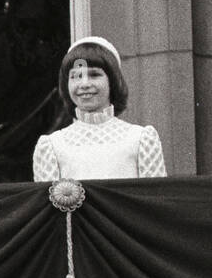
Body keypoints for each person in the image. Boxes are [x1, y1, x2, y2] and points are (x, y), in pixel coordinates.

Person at [31, 37, 167, 180]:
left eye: (94, 75)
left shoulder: (141, 139)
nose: (84, 84)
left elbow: (155, 198)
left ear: (112, 81)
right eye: (75, 76)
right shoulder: (52, 146)